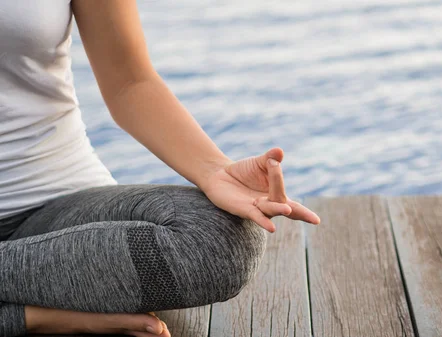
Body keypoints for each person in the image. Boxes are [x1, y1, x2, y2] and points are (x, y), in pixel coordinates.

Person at [0, 1, 321, 336]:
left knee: (223, 238)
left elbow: (130, 82)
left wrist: (215, 172)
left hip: (59, 206)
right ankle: (36, 316)